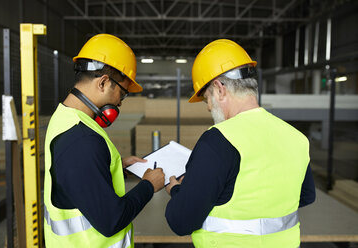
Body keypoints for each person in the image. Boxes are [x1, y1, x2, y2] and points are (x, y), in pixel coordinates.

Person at [165, 39, 316, 248]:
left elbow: (181, 221)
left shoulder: (218, 141)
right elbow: (306, 196)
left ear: (219, 89)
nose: (208, 107)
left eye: (206, 98)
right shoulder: (296, 137)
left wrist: (176, 190)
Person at [43, 34, 165, 248]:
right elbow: (111, 220)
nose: (120, 102)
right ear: (103, 82)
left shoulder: (65, 117)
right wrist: (148, 186)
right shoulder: (82, 139)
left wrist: (115, 167)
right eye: (123, 93)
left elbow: (79, 181)